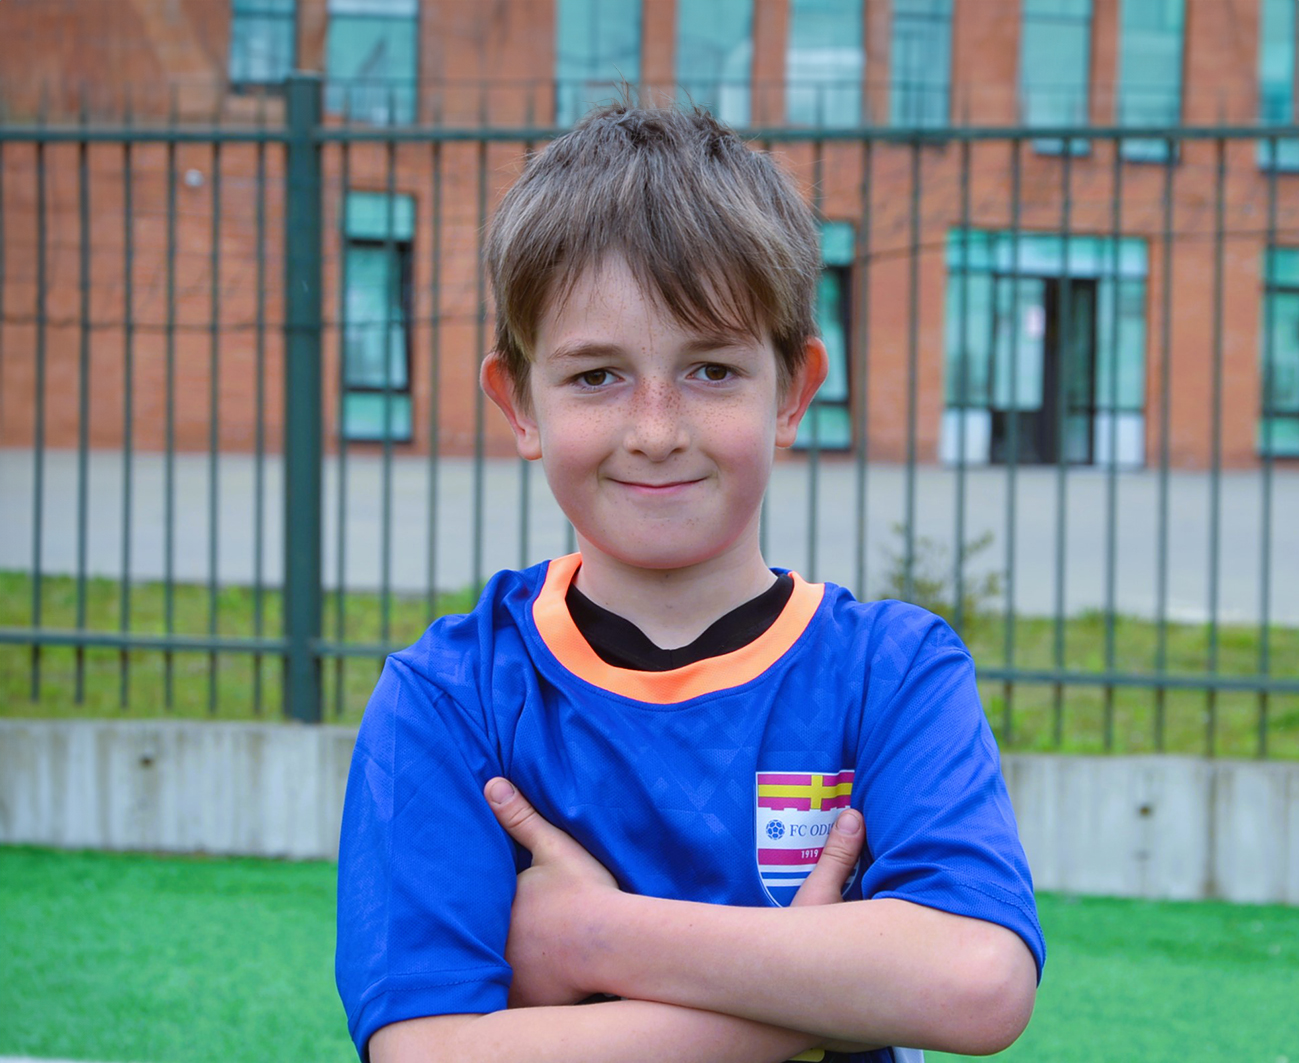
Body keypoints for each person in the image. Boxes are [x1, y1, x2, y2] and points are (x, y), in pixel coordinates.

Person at [335, 100, 1045, 1063]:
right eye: (596, 376)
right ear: (519, 404)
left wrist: (596, 936)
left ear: (793, 391)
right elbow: (424, 1053)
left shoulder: (893, 671)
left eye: (711, 370)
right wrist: (828, 989)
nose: (656, 430)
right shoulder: (451, 696)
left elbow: (975, 981)